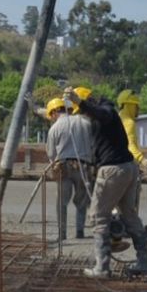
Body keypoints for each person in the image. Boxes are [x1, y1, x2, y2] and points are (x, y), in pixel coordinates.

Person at [65, 86, 147, 278]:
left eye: (83, 112)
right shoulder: (106, 114)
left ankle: (102, 268)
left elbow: (99, 113)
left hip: (113, 170)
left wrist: (79, 102)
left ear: (88, 103)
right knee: (129, 215)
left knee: (97, 217)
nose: (84, 117)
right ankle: (143, 263)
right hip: (128, 167)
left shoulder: (106, 112)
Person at [44, 96, 93, 240]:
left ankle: (62, 233)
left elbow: (51, 154)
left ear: (53, 112)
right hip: (83, 166)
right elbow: (92, 145)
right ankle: (79, 231)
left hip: (63, 167)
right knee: (81, 201)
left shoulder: (55, 128)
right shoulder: (85, 123)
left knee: (62, 202)